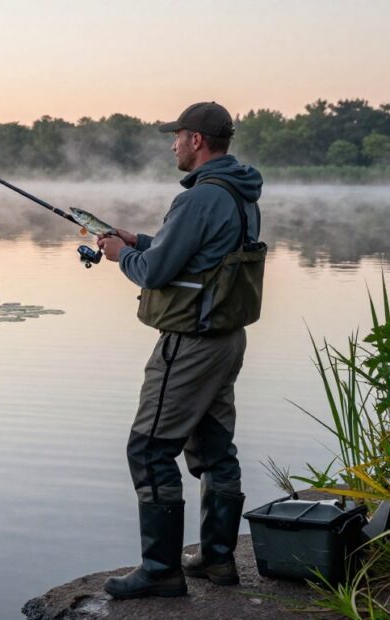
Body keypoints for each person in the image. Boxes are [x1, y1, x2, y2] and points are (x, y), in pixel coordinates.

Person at [96, 102, 264, 599]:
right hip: (226, 338)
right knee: (214, 447)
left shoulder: (197, 198)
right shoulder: (239, 192)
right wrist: (141, 239)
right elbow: (205, 255)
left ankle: (161, 571)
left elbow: (154, 273)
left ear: (197, 140)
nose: (173, 144)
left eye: (178, 136)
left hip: (191, 342)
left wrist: (121, 254)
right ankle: (218, 559)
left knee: (149, 449)